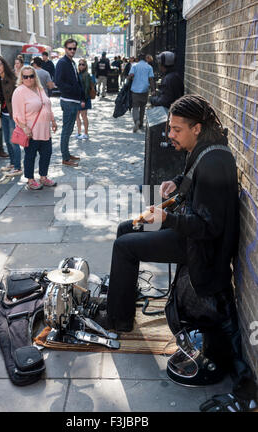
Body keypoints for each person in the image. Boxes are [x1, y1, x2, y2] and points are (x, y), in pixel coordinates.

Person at [100, 94, 257, 412]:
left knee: (124, 246)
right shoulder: (204, 148)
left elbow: (208, 227)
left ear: (196, 128)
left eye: (175, 129)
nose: (170, 134)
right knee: (124, 229)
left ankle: (119, 320)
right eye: (170, 128)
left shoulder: (214, 160)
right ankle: (119, 308)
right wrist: (175, 183)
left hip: (198, 247)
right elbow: (190, 179)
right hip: (187, 231)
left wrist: (166, 218)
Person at [12, 66, 58, 190]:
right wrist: (24, 128)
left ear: (35, 76)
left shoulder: (39, 88)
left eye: (31, 76)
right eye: (25, 76)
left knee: (46, 154)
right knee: (30, 156)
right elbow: (16, 114)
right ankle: (30, 180)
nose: (28, 79)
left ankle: (43, 177)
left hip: (45, 129)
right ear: (21, 77)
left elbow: (47, 105)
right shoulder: (19, 91)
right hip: (31, 131)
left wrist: (53, 120)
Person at [0, 55, 22, 177]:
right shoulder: (0, 79)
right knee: (7, 140)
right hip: (4, 113)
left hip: (13, 114)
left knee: (14, 142)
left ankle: (18, 167)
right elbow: (4, 97)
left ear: (4, 65)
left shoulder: (12, 78)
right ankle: (13, 163)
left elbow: (18, 96)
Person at [54, 38, 85, 167]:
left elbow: (76, 80)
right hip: (68, 101)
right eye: (69, 48)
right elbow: (58, 82)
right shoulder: (62, 62)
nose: (72, 50)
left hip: (73, 100)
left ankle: (67, 154)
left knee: (70, 129)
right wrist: (74, 91)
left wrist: (80, 94)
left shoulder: (71, 62)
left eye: (74, 48)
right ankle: (65, 158)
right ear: (65, 49)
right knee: (66, 130)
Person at [129, 52, 156, 132]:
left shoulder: (134, 66)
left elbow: (130, 75)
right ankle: (141, 123)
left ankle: (136, 121)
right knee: (143, 107)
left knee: (135, 107)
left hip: (135, 90)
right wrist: (153, 89)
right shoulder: (149, 67)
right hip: (145, 90)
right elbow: (151, 79)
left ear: (138, 59)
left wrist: (131, 79)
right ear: (145, 59)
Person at [75, 59, 92, 140]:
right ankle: (78, 132)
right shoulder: (78, 74)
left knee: (84, 115)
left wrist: (83, 100)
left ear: (86, 66)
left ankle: (86, 133)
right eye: (80, 64)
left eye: (83, 64)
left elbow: (87, 88)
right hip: (77, 98)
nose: (81, 66)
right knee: (77, 115)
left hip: (84, 98)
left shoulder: (86, 75)